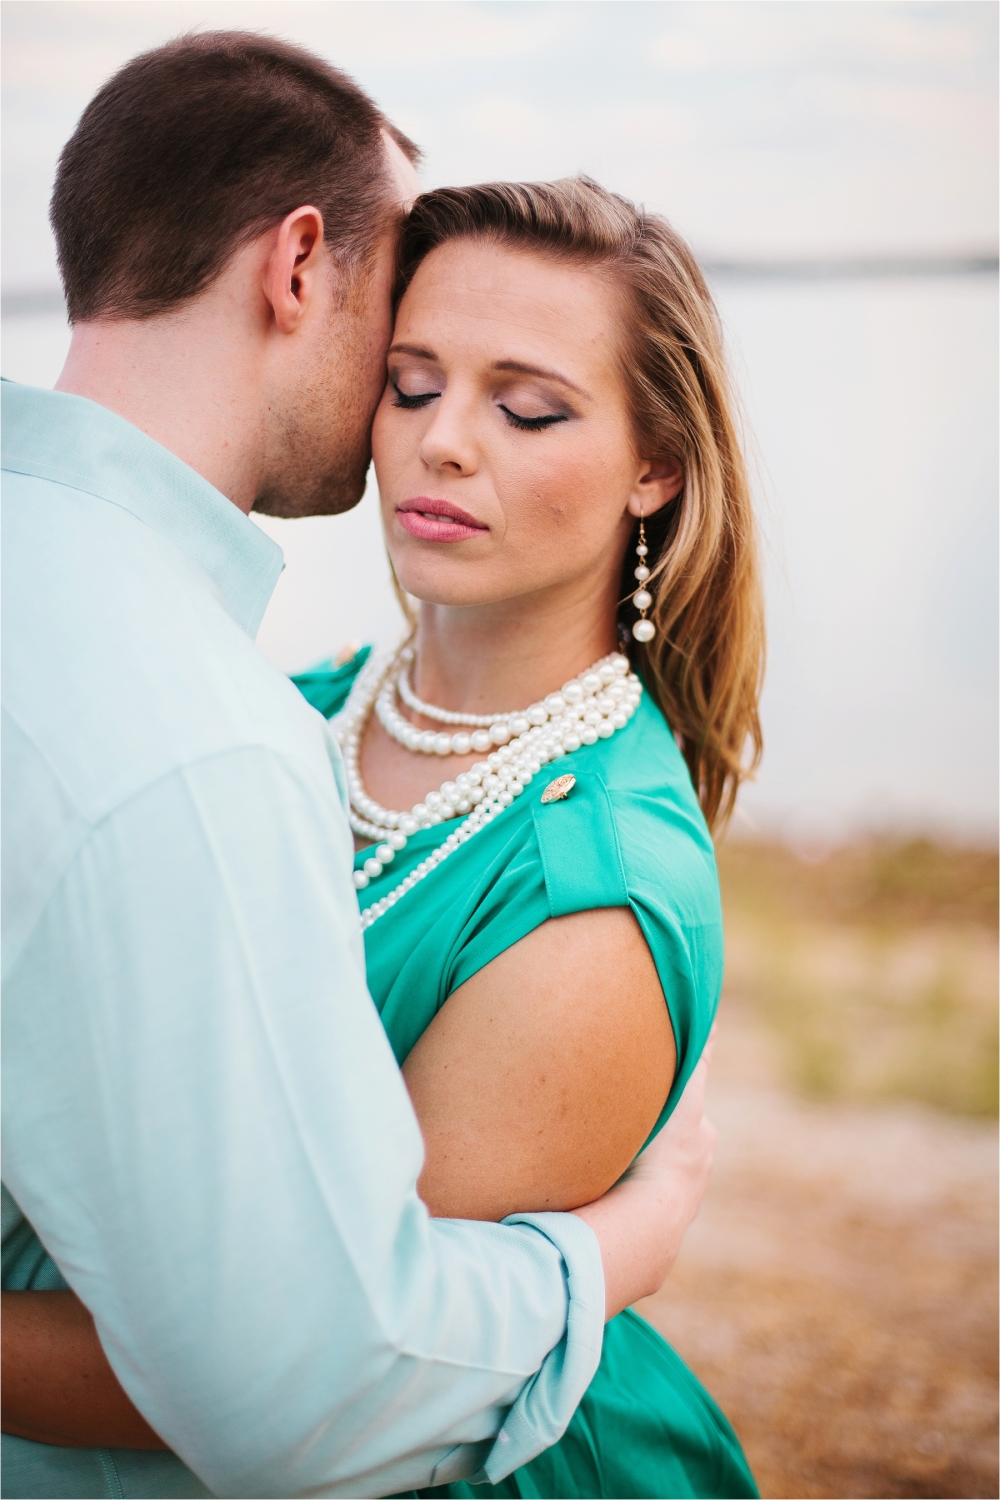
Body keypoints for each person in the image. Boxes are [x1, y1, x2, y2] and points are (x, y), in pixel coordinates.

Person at [0, 35, 720, 1500]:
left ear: (657, 464)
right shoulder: (277, 714)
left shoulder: (589, 889)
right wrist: (611, 1250)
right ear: (300, 275)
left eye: (528, 408)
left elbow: (323, 1382)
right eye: (408, 381)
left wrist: (599, 1261)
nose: (442, 444)